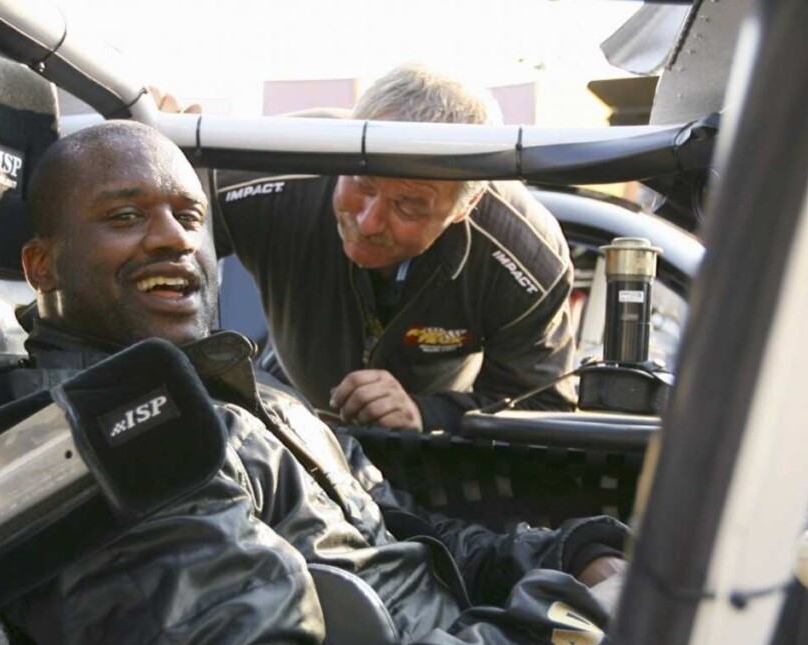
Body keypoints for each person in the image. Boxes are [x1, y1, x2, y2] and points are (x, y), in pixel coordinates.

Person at [0, 121, 808, 645]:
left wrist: (577, 555)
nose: (174, 235)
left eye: (188, 214)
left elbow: (406, 533)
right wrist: (568, 629)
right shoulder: (116, 445)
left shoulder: (233, 391)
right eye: (126, 215)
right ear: (43, 265)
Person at [209, 64, 577, 432]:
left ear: (467, 205)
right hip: (288, 412)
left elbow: (542, 406)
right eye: (362, 184)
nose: (369, 222)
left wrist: (428, 414)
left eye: (408, 205)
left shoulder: (527, 257)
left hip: (429, 449)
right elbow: (160, 247)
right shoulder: (264, 171)